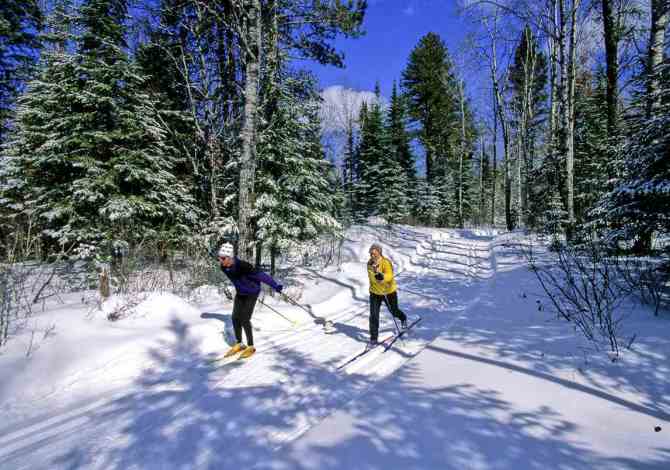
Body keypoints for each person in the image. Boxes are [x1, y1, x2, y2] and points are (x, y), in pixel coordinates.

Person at [217, 242, 283, 359]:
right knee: (235, 318)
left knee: (245, 318)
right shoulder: (223, 267)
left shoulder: (244, 266)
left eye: (222, 258)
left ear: (230, 257)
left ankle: (251, 346)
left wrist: (275, 285)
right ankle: (239, 343)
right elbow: (236, 278)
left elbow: (261, 276)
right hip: (240, 293)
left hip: (252, 293)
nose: (220, 260)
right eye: (219, 258)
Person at [367, 243, 407, 346]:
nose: (372, 256)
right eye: (371, 254)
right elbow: (373, 278)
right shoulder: (369, 264)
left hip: (389, 291)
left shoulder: (386, 262)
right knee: (374, 315)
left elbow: (389, 276)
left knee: (394, 311)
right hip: (375, 293)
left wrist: (382, 276)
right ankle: (373, 338)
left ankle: (403, 318)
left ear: (379, 253)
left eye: (374, 254)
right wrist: (377, 275)